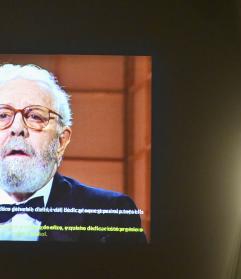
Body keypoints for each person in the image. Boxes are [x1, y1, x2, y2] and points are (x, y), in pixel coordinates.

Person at [0, 63, 145, 243]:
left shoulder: (112, 214)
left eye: (35, 116)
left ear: (62, 141)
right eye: (2, 115)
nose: (17, 128)